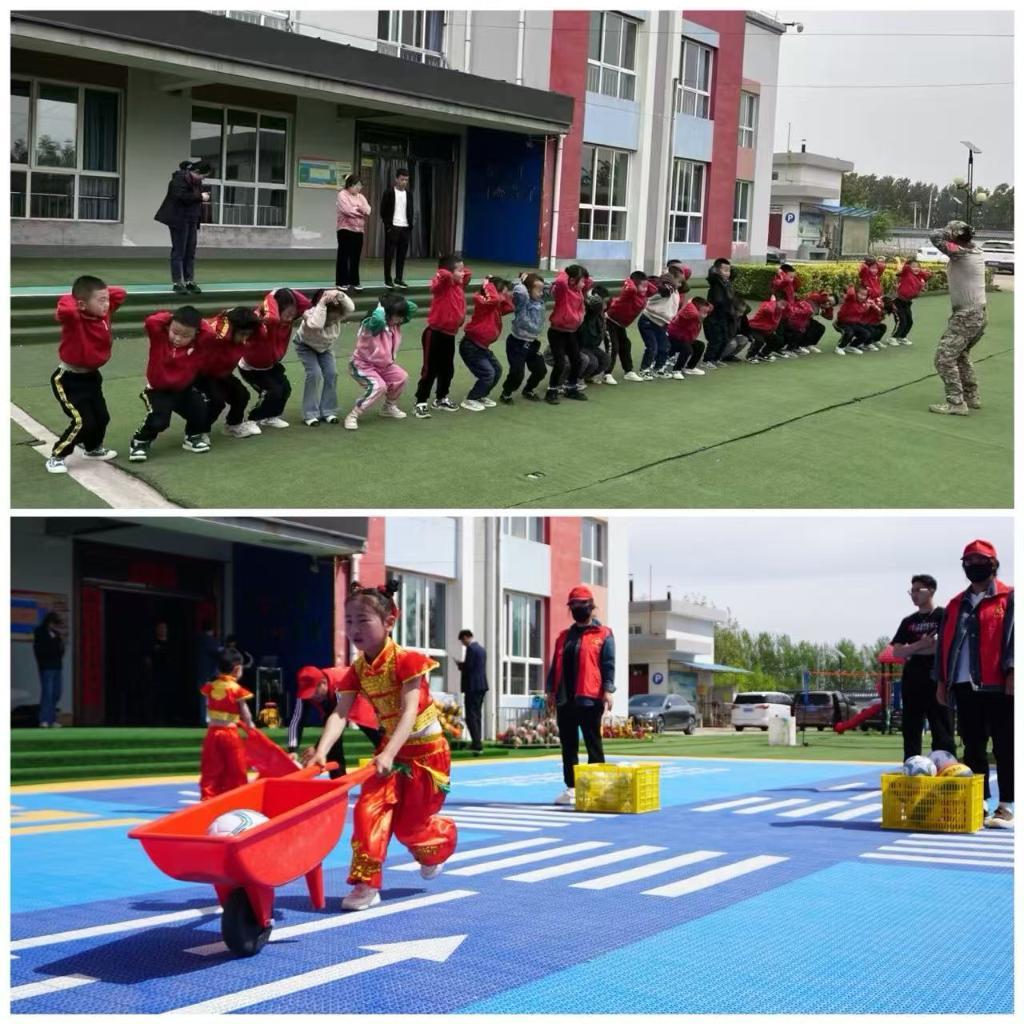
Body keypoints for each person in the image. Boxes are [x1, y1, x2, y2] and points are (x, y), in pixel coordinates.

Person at [306, 581, 457, 911]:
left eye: (363, 620)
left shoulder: (408, 661)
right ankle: (366, 884)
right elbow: (340, 713)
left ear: (390, 621)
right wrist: (322, 750)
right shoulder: (358, 669)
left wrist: (388, 753)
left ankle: (438, 843)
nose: (354, 629)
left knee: (410, 828)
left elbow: (409, 712)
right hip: (389, 750)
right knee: (367, 811)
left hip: (427, 755)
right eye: (349, 621)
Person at [935, 540, 1014, 828]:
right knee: (973, 747)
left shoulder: (1009, 598)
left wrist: (1013, 672)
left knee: (1006, 745)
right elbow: (944, 645)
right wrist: (942, 680)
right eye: (968, 561)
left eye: (979, 560)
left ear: (993, 564)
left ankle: (1007, 806)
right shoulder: (955, 604)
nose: (973, 566)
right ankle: (979, 801)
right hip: (963, 684)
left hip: (999, 685)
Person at [47, 275, 127, 474]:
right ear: (81, 304)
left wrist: (98, 295)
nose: (106, 304)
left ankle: (92, 449)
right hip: (68, 379)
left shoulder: (105, 313)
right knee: (83, 422)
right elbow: (65, 308)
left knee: (102, 417)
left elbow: (120, 293)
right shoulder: (74, 318)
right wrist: (79, 299)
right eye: (101, 301)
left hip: (91, 377)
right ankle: (57, 456)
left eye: (107, 300)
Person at [546, 585, 616, 806]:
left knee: (593, 743)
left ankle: (598, 787)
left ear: (591, 606)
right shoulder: (563, 637)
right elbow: (554, 666)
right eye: (574, 605)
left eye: (582, 604)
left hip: (590, 697)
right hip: (565, 699)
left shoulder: (604, 634)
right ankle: (572, 788)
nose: (577, 608)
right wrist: (550, 691)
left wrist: (608, 690)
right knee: (568, 746)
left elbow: (608, 664)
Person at [129, 306, 213, 462]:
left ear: (196, 334)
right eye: (175, 332)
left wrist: (194, 320)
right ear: (168, 327)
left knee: (200, 408)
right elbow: (151, 321)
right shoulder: (159, 338)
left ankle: (192, 436)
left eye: (186, 336)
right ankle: (140, 442)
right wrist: (174, 317)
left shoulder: (199, 344)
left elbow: (210, 333)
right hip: (157, 390)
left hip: (183, 389)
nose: (178, 339)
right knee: (160, 421)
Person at [890, 574, 956, 761]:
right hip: (913, 679)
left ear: (932, 590)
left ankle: (945, 765)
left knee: (941, 726)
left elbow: (943, 646)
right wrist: (921, 644)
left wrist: (912, 649)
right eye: (912, 591)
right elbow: (897, 652)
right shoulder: (908, 621)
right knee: (911, 727)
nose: (914, 594)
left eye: (919, 590)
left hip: (938, 679)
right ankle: (912, 764)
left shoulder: (944, 615)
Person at [928, 220, 987, 416]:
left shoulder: (960, 253)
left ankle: (956, 403)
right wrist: (961, 231)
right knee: (960, 356)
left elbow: (934, 236)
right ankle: (971, 396)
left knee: (943, 359)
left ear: (954, 236)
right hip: (977, 314)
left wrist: (949, 232)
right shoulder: (976, 251)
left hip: (967, 315)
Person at [289, 665, 384, 778]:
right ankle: (338, 781)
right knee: (332, 748)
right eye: (308, 694)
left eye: (314, 693)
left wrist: (318, 748)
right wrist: (292, 750)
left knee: (378, 737)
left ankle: (396, 772)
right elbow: (296, 720)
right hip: (334, 707)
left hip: (363, 701)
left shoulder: (341, 683)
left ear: (323, 683)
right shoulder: (305, 692)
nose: (312, 697)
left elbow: (339, 719)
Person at [240, 288, 311, 430]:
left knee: (285, 389)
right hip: (252, 368)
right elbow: (272, 318)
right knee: (272, 391)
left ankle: (271, 416)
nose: (291, 318)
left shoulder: (287, 321)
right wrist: (272, 295)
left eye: (293, 314)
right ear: (277, 309)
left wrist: (285, 290)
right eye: (288, 314)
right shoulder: (262, 321)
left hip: (271, 365)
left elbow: (307, 304)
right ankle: (252, 419)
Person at [345, 292, 417, 430]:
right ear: (387, 313)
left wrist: (396, 302)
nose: (401, 319)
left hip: (385, 365)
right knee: (379, 386)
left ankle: (388, 407)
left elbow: (413, 307)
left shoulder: (395, 324)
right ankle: (354, 415)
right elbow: (378, 319)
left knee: (401, 377)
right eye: (398, 316)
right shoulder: (372, 325)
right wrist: (381, 306)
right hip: (362, 365)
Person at [415, 255, 472, 417]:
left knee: (447, 369)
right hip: (434, 334)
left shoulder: (458, 285)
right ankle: (420, 401)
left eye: (462, 270)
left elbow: (467, 274)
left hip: (449, 335)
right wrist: (446, 272)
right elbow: (439, 281)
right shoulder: (442, 286)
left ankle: (441, 398)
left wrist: (458, 271)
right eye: (459, 270)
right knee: (429, 369)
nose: (463, 273)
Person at [194, 307, 262, 438]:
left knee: (242, 395)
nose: (245, 338)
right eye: (242, 334)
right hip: (201, 374)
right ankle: (197, 432)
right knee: (217, 401)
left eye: (248, 334)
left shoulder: (242, 341)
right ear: (233, 328)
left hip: (221, 373)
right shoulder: (213, 335)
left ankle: (232, 425)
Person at [199, 648, 256, 800]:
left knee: (211, 767)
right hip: (229, 734)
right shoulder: (236, 689)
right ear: (237, 669)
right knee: (236, 767)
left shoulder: (210, 686)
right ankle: (237, 797)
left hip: (212, 733)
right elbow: (245, 711)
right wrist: (251, 726)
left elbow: (208, 704)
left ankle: (208, 798)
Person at [293, 288, 355, 427]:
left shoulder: (337, 315)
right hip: (305, 346)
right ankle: (310, 414)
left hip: (325, 348)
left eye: (335, 319)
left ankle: (328, 411)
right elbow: (316, 325)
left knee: (332, 374)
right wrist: (322, 302)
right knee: (314, 374)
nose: (332, 322)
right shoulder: (311, 315)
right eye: (330, 319)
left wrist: (339, 294)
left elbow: (350, 308)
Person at [153, 160, 210, 294]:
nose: (203, 179)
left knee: (190, 251)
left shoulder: (197, 182)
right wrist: (200, 196)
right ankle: (177, 282)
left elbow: (193, 200)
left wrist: (199, 200)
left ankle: (189, 281)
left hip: (192, 219)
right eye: (203, 176)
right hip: (178, 219)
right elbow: (181, 197)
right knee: (179, 251)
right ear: (196, 172)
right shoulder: (178, 180)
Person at [459, 277, 515, 412]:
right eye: (503, 293)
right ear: (493, 292)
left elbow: (510, 307)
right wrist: (488, 285)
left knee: (497, 370)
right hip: (471, 346)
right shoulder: (483, 303)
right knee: (488, 374)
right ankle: (471, 398)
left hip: (482, 347)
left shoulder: (496, 307)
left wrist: (504, 296)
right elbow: (493, 299)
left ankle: (481, 395)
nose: (504, 297)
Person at [499, 273, 549, 404]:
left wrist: (539, 286)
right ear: (528, 290)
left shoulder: (541, 301)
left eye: (542, 290)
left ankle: (528, 389)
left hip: (532, 343)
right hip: (517, 343)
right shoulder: (522, 303)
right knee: (517, 373)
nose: (541, 293)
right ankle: (506, 393)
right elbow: (520, 292)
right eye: (538, 290)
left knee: (540, 370)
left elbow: (551, 288)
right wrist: (523, 281)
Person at [546, 264, 591, 403]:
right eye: (581, 281)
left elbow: (589, 281)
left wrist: (581, 275)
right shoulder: (563, 291)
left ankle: (571, 388)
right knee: (560, 363)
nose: (584, 284)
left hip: (571, 332)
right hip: (557, 332)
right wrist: (566, 272)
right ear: (571, 280)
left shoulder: (579, 291)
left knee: (577, 361)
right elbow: (560, 281)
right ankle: (551, 391)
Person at [606, 271, 655, 382]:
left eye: (646, 286)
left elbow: (654, 290)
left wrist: (644, 282)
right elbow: (631, 288)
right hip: (610, 321)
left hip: (620, 324)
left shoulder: (644, 294)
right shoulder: (630, 292)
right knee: (613, 347)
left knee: (626, 345)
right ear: (635, 284)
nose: (646, 289)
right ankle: (607, 373)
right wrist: (630, 279)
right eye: (643, 286)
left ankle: (628, 372)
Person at [637, 274, 679, 378]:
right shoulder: (660, 290)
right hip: (648, 321)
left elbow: (685, 287)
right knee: (652, 347)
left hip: (661, 323)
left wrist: (674, 283)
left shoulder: (675, 291)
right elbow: (665, 289)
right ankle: (644, 369)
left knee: (665, 347)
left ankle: (659, 368)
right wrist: (669, 283)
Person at [335, 174, 371, 291]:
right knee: (344, 256)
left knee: (355, 257)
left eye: (360, 186)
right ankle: (341, 282)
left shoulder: (361, 196)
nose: (359, 188)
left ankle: (354, 281)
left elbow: (368, 210)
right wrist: (360, 211)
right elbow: (347, 210)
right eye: (357, 185)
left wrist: (361, 209)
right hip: (345, 229)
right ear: (350, 185)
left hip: (359, 230)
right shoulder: (342, 194)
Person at [456, 629, 488, 752]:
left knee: (471, 715)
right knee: (477, 714)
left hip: (472, 686)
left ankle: (476, 743)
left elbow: (469, 667)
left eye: (462, 640)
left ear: (466, 637)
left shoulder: (471, 649)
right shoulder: (482, 649)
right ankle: (477, 741)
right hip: (482, 685)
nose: (462, 643)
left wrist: (460, 665)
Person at [380, 168, 412, 289]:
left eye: (406, 180)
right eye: (402, 179)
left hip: (405, 228)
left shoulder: (409, 194)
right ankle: (387, 279)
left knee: (401, 255)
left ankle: (398, 278)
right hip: (392, 227)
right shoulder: (389, 192)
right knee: (389, 254)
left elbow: (410, 210)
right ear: (396, 179)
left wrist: (410, 226)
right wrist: (388, 226)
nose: (404, 182)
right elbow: (383, 210)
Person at [33, 611, 65, 728]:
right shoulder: (40, 632)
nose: (55, 626)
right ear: (49, 622)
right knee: (47, 693)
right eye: (54, 623)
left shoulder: (56, 634)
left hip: (57, 666)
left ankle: (52, 719)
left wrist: (60, 642)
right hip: (46, 667)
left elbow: (61, 650)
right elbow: (39, 650)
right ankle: (44, 719)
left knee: (57, 693)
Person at [666, 295, 711, 377]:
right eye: (704, 312)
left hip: (685, 339)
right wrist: (691, 303)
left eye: (706, 313)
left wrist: (704, 310)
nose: (705, 315)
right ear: (697, 309)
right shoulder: (688, 313)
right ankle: (676, 370)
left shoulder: (697, 315)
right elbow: (692, 311)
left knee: (700, 345)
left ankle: (690, 368)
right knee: (687, 348)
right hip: (673, 338)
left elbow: (710, 307)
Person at [704, 258, 737, 367]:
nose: (727, 273)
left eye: (729, 271)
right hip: (715, 316)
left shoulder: (727, 283)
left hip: (725, 316)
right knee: (716, 339)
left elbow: (734, 273)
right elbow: (718, 300)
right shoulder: (715, 282)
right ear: (717, 271)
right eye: (725, 270)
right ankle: (707, 360)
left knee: (724, 339)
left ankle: (716, 359)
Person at [892, 257, 932, 346]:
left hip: (907, 302)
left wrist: (922, 272)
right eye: (913, 266)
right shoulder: (907, 272)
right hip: (898, 301)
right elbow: (905, 268)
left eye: (917, 266)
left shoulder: (918, 277)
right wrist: (904, 262)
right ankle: (893, 338)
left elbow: (927, 276)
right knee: (902, 320)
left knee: (909, 321)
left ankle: (902, 337)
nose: (916, 268)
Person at [578, 284, 612, 384]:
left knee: (606, 360)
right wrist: (593, 301)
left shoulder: (601, 315)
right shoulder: (587, 311)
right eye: (603, 303)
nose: (605, 306)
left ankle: (587, 376)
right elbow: (589, 306)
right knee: (592, 362)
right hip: (580, 345)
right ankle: (574, 379)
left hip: (592, 346)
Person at [780, 291, 831, 356]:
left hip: (800, 320)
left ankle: (796, 346)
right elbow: (798, 316)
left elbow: (829, 316)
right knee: (799, 330)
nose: (829, 304)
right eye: (827, 303)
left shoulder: (816, 304)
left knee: (811, 328)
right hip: (792, 320)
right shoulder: (810, 305)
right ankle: (789, 349)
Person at [834, 285, 874, 356]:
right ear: (856, 293)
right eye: (860, 294)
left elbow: (870, 293)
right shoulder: (851, 299)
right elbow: (851, 293)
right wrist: (852, 286)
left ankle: (852, 346)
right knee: (849, 332)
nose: (862, 297)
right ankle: (839, 347)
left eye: (864, 295)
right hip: (841, 323)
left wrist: (867, 289)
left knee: (866, 333)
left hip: (853, 324)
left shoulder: (864, 304)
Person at [746, 295, 787, 363]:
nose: (783, 305)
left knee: (776, 340)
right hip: (755, 327)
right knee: (760, 341)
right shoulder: (767, 305)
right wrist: (773, 302)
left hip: (766, 330)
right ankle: (750, 356)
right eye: (782, 303)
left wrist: (772, 331)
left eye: (785, 304)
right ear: (777, 301)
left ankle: (762, 354)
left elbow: (776, 322)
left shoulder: (779, 311)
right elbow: (768, 310)